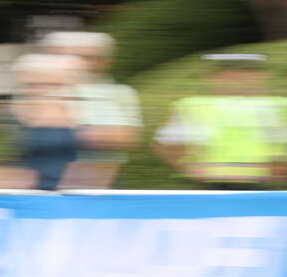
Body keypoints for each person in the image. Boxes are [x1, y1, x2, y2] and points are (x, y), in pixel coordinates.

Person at [154, 53, 287, 189]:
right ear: (214, 77)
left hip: (263, 184)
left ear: (261, 76)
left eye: (246, 72)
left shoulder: (279, 106)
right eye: (229, 72)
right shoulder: (191, 105)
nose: (237, 77)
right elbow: (166, 144)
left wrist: (281, 168)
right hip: (212, 183)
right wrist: (187, 168)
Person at [41, 31, 142, 188]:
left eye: (89, 56)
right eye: (76, 56)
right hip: (52, 180)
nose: (82, 63)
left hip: (105, 181)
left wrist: (68, 132)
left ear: (105, 60)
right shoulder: (44, 91)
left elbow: (127, 138)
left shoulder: (122, 93)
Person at [0, 53, 84, 190]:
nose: (40, 89)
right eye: (31, 84)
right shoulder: (10, 115)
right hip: (22, 194)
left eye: (50, 84)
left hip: (70, 193)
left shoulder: (78, 113)